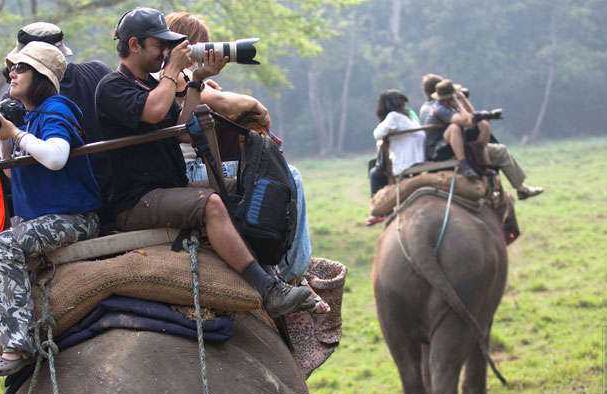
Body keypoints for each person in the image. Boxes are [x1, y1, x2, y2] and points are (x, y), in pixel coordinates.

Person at [94, 7, 327, 318]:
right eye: (158, 44)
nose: (165, 51)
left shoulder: (153, 85)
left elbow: (183, 128)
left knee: (255, 184)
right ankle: (268, 290)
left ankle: (283, 269)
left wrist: (196, 81)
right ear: (134, 45)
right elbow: (152, 112)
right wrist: (171, 72)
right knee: (211, 204)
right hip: (136, 200)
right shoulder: (112, 86)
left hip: (167, 188)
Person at [0, 42, 102, 386]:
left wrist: (15, 133)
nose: (12, 74)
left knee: (4, 246)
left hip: (74, 218)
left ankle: (19, 346)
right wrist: (4, 137)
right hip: (37, 221)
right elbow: (10, 172)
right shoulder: (28, 115)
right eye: (11, 70)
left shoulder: (56, 109)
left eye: (21, 68)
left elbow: (55, 158)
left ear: (42, 77)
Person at [164, 11, 311, 282]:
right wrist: (255, 106)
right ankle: (293, 274)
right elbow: (228, 105)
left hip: (189, 166)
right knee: (292, 178)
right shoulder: (175, 76)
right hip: (191, 170)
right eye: (202, 45)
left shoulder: (172, 78)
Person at [420, 74, 543, 200]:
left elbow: (471, 116)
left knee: (482, 125)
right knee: (500, 151)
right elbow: (468, 120)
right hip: (443, 150)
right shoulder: (440, 108)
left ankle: (482, 157)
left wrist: (462, 101)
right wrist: (458, 101)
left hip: (444, 146)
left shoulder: (427, 107)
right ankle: (518, 188)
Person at [366, 89, 425, 225]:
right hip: (420, 157)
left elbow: (377, 134)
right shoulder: (409, 116)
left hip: (406, 162)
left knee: (374, 173)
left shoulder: (393, 117)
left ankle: (379, 211)